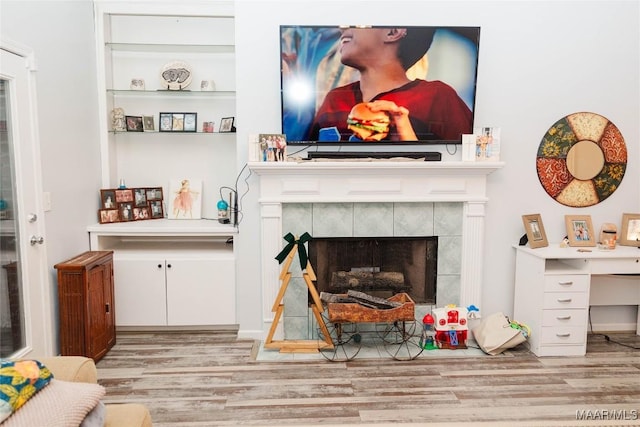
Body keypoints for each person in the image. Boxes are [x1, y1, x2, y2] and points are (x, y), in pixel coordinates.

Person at [308, 27, 472, 142]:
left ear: (393, 32)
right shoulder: (334, 98)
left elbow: (464, 162)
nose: (342, 28)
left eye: (358, 23)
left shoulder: (438, 96)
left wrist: (408, 143)